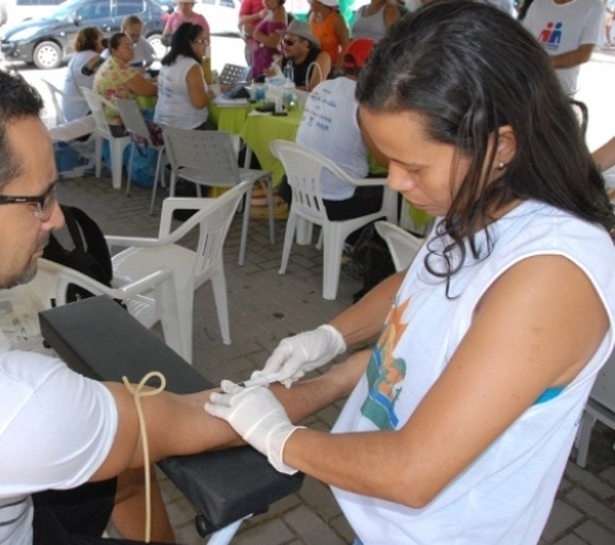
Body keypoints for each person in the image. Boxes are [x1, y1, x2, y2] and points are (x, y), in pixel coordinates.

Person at [0, 58, 346, 545]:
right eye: (39, 200)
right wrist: (344, 374)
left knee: (123, 462)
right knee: (134, 444)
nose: (55, 219)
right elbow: (195, 420)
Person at [204, 2, 615, 544]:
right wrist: (330, 338)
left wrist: (280, 437)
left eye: (413, 166)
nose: (396, 183)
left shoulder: (551, 276)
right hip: (380, 522)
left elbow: (410, 472)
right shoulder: (480, 198)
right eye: (388, 160)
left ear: (502, 146)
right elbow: (422, 283)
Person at [285, 38, 380, 219]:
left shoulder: (322, 87)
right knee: (398, 192)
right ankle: (361, 242)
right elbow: (383, 158)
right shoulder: (363, 100)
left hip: (297, 190)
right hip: (337, 200)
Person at [522, 0, 606, 95]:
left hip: (560, 92)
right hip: (529, 86)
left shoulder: (593, 5)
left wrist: (542, 64)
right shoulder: (538, 3)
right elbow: (523, 41)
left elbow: (583, 54)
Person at [93, 32, 157, 134]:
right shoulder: (121, 69)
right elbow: (149, 91)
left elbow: (137, 82)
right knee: (163, 116)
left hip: (106, 120)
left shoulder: (111, 63)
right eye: (127, 46)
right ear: (114, 50)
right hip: (120, 123)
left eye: (132, 45)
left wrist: (155, 81)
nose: (132, 49)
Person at [154, 23, 214, 130]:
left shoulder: (168, 61)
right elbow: (199, 102)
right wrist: (214, 91)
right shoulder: (190, 65)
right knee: (224, 132)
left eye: (206, 41)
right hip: (187, 129)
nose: (206, 45)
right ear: (188, 43)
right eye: (201, 41)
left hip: (162, 126)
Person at [266, 18, 331, 90]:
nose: (284, 46)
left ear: (304, 44)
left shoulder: (321, 57)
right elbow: (267, 83)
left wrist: (284, 88)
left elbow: (314, 89)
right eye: (284, 41)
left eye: (289, 42)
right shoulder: (281, 61)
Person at [63, 26, 104, 121]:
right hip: (83, 112)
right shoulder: (94, 58)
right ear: (94, 40)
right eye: (101, 38)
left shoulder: (78, 56)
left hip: (71, 110)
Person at [308, 0, 350, 73]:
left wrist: (337, 66)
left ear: (322, 3)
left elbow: (346, 46)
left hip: (330, 66)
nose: (308, 1)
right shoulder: (312, 16)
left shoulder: (337, 19)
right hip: (313, 64)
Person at [250, 0, 288, 80]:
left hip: (268, 61)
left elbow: (274, 42)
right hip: (263, 59)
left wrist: (256, 34)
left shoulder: (278, 14)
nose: (265, 2)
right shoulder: (273, 11)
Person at [238, 0, 266, 65]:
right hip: (254, 44)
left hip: (272, 45)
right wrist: (258, 15)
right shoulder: (248, 1)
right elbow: (241, 20)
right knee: (254, 71)